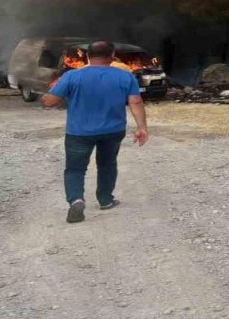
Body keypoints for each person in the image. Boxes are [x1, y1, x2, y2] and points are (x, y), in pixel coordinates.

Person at [42, 41, 149, 224]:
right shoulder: (125, 77)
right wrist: (142, 128)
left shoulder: (72, 76)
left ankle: (76, 200)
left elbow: (50, 101)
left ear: (87, 55)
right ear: (113, 55)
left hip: (79, 132)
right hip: (113, 131)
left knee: (75, 168)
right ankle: (106, 200)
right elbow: (136, 102)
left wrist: (45, 96)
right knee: (107, 165)